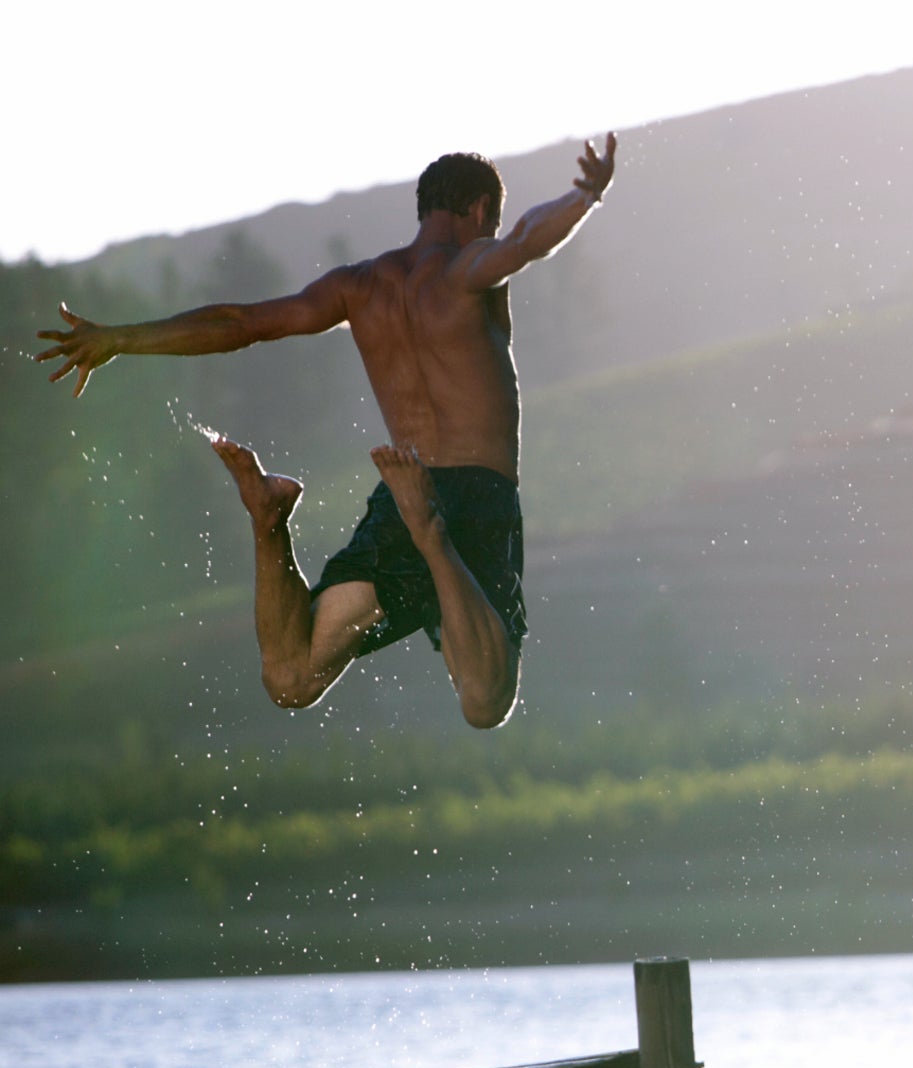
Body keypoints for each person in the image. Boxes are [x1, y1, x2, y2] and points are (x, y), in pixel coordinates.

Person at [35, 135, 617, 729]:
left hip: (401, 490)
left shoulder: (358, 287)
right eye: (488, 219)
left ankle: (269, 519)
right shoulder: (469, 269)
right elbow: (525, 240)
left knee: (291, 678)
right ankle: (433, 536)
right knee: (486, 702)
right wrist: (585, 194)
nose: (490, 232)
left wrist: (120, 338)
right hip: (468, 498)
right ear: (476, 211)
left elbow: (242, 323)